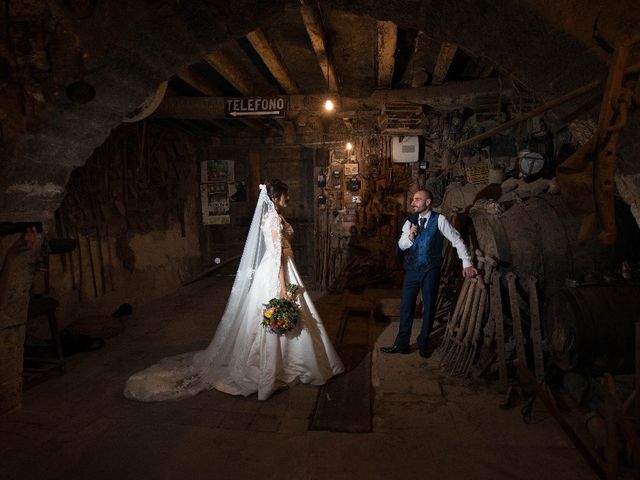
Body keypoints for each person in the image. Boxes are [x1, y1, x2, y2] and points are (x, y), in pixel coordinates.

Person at [125, 180, 344, 401]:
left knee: (276, 315)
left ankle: (287, 359)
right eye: (285, 195)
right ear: (276, 197)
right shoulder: (273, 220)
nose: (289, 198)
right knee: (278, 310)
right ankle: (278, 364)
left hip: (280, 267)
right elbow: (277, 255)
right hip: (277, 270)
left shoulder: (275, 216)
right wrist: (282, 287)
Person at [381, 189, 476, 358]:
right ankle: (401, 343)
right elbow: (402, 246)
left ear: (428, 202)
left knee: (429, 306)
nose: (413, 203)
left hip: (431, 271)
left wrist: (466, 263)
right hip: (412, 271)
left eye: (417, 200)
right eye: (412, 200)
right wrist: (410, 235)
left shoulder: (439, 220)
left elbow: (457, 240)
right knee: (406, 307)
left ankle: (424, 342)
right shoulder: (409, 221)